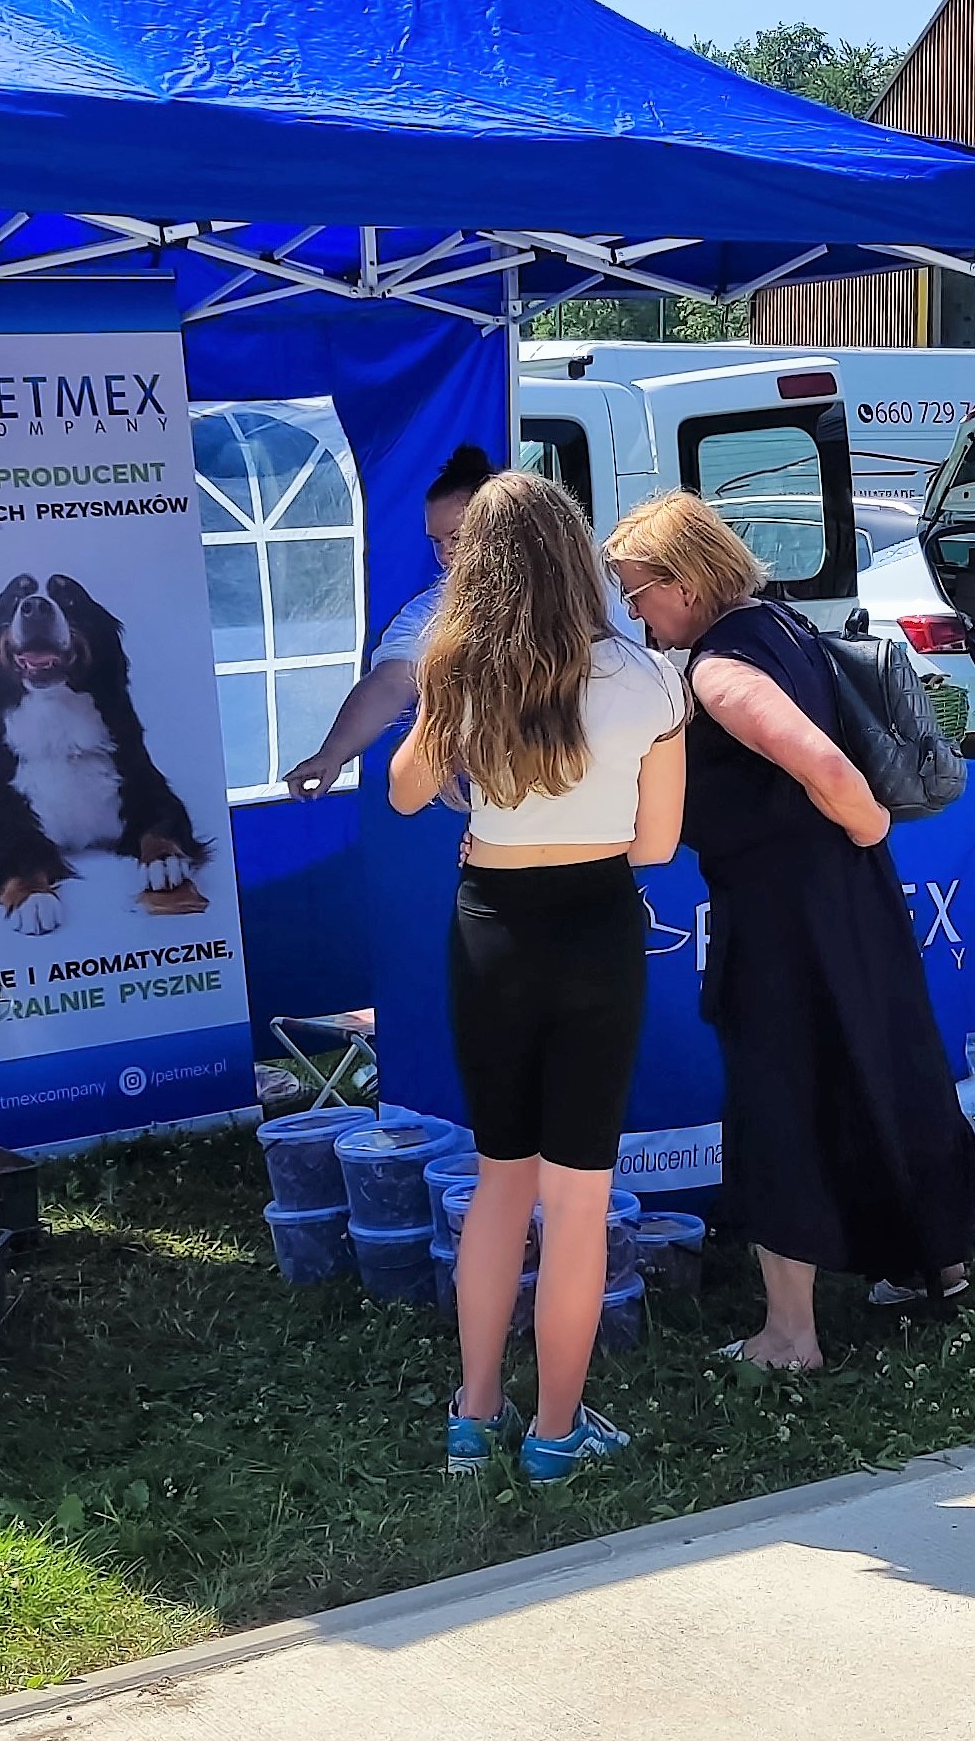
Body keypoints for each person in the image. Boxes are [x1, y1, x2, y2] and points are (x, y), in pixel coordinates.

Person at [605, 493, 975, 1367]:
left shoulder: (718, 669)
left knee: (779, 1101)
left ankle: (789, 1332)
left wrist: (867, 822)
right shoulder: (781, 624)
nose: (635, 613)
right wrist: (859, 842)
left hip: (780, 911)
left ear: (685, 582)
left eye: (637, 591)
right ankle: (936, 1263)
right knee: (888, 1063)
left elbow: (826, 766)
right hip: (845, 892)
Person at [388, 470, 688, 1483]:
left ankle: (472, 1417)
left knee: (499, 1181)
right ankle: (556, 1432)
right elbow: (657, 844)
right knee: (577, 1196)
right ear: (575, 558)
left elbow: (404, 794)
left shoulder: (458, 669)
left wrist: (447, 714)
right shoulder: (649, 679)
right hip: (595, 924)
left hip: (491, 926)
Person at [282, 446, 496, 799]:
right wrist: (333, 753)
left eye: (457, 537)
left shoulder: (561, 596)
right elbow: (390, 682)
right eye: (436, 541)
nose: (445, 553)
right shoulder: (428, 611)